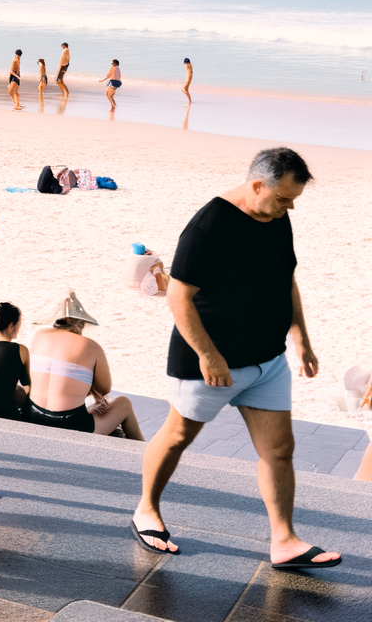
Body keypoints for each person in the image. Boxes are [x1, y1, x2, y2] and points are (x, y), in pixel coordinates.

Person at [132, 148, 338, 569]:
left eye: (293, 200)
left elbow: (287, 281)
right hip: (208, 362)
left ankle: (284, 540)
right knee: (177, 437)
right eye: (283, 198)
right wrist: (209, 355)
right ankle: (146, 511)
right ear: (257, 185)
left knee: (279, 449)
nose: (289, 207)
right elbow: (178, 296)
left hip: (267, 360)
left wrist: (301, 339)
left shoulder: (277, 219)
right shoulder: (210, 225)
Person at [25, 292, 142, 439]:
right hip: (70, 424)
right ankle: (142, 450)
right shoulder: (91, 346)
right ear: (80, 323)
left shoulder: (37, 336)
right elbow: (104, 388)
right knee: (124, 403)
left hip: (32, 415)